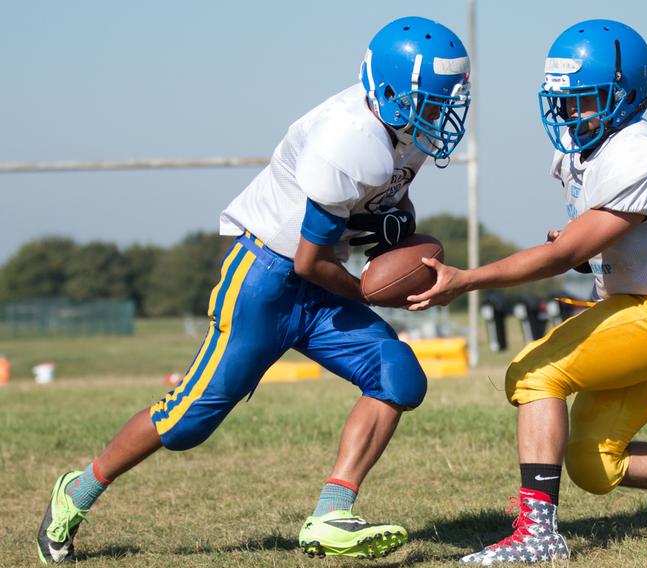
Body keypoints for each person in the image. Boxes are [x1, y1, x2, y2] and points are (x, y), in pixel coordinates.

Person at [36, 16, 471, 564]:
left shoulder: (405, 130)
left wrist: (396, 230)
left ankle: (332, 515)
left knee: (398, 376)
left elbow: (384, 207)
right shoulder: (348, 138)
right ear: (386, 92)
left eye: (443, 101)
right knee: (186, 420)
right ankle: (76, 493)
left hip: (319, 282)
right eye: (427, 101)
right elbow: (311, 259)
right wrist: (369, 290)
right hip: (265, 279)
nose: (437, 114)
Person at [407, 19, 647, 564]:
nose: (570, 114)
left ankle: (538, 534)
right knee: (594, 463)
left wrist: (469, 279)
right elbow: (590, 243)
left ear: (625, 97)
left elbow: (562, 255)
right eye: (563, 101)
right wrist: (582, 247)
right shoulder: (582, 151)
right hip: (643, 304)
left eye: (585, 100)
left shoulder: (640, 150)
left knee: (533, 372)